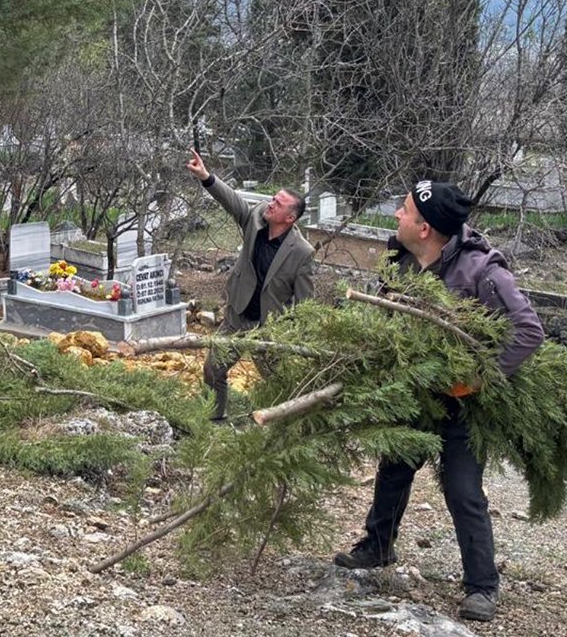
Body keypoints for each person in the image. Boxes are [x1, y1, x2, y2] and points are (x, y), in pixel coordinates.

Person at [333, 180, 545, 622]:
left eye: (405, 210)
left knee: (463, 490)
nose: (397, 215)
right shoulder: (402, 258)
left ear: (425, 228)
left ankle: (482, 586)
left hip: (460, 405)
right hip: (415, 395)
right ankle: (377, 546)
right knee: (393, 470)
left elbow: (528, 331)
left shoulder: (483, 271)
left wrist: (476, 379)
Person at [185, 148, 315, 421]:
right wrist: (206, 177)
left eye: (278, 204)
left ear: (290, 218)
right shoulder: (255, 220)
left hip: (269, 328)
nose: (271, 204)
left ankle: (284, 424)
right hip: (237, 316)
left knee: (279, 381)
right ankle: (214, 419)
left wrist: (295, 336)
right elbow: (232, 201)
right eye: (273, 199)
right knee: (213, 370)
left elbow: (306, 303)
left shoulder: (302, 252)